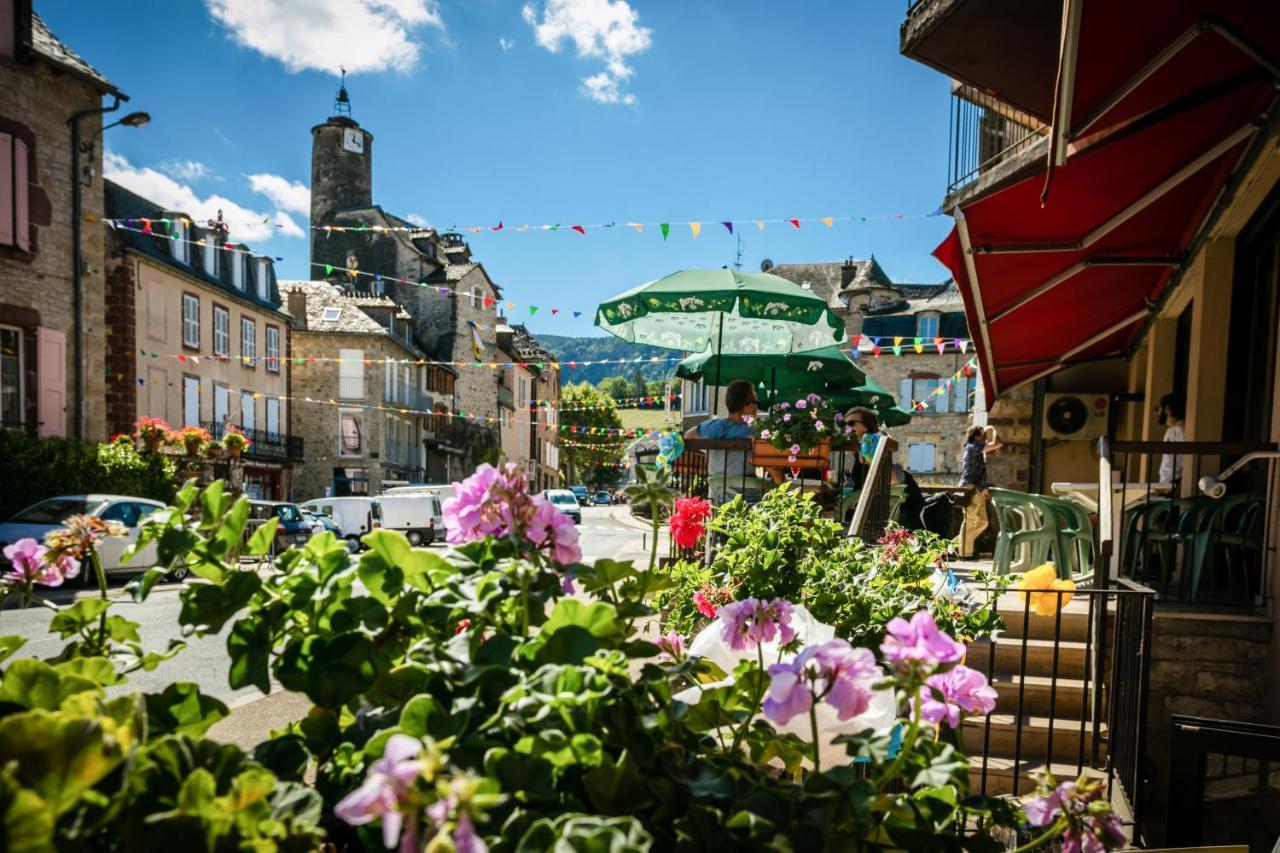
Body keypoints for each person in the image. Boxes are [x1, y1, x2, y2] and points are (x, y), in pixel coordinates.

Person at [685, 379, 758, 502]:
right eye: (756, 402)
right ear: (749, 406)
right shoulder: (752, 432)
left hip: (716, 498)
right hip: (746, 499)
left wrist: (710, 449)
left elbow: (688, 435)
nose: (757, 407)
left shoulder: (711, 427)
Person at [956, 426, 992, 559]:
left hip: (977, 488)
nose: (986, 437)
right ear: (976, 437)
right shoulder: (972, 447)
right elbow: (997, 444)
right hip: (970, 487)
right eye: (984, 435)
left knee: (983, 522)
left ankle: (955, 545)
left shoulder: (975, 449)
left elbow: (980, 473)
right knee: (970, 521)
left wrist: (983, 488)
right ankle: (965, 553)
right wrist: (993, 429)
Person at [1155, 392, 1185, 486]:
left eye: (1158, 408)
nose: (1158, 413)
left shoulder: (1177, 430)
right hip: (1170, 481)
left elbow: (1182, 459)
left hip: (1173, 481)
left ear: (1167, 409)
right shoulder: (1177, 429)